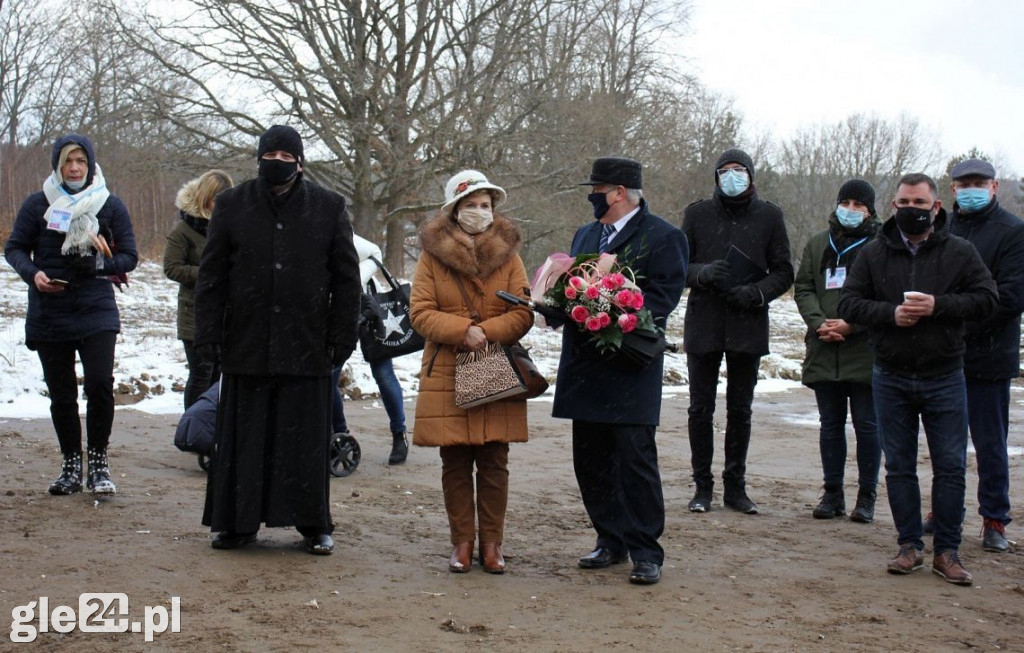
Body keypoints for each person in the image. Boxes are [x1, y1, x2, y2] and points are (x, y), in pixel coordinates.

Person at [194, 125, 361, 555]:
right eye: (271, 155)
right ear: (259, 158)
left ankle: (313, 523)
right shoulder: (232, 205)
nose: (278, 163)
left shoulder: (328, 207)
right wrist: (208, 336)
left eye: (288, 157)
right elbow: (212, 277)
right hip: (246, 343)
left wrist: (341, 340)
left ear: (300, 162)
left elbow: (346, 281)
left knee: (304, 441)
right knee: (244, 439)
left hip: (307, 346)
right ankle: (236, 522)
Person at [838, 172, 997, 586]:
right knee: (900, 467)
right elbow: (850, 303)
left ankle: (947, 551)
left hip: (944, 375)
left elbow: (987, 299)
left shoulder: (959, 252)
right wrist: (891, 315)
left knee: (950, 467)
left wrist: (938, 306)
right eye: (904, 204)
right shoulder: (874, 253)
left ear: (936, 207)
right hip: (890, 373)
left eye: (920, 205)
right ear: (894, 207)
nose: (912, 211)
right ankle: (909, 545)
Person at [552, 157, 688, 585]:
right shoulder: (586, 233)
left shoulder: (664, 236)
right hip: (584, 365)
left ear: (619, 193)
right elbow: (571, 285)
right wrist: (555, 302)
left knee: (634, 460)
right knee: (590, 460)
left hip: (629, 366)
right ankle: (609, 539)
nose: (591, 196)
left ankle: (646, 550)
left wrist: (610, 305)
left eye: (597, 189)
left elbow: (663, 299)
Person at [410, 170, 533, 574]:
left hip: (496, 364)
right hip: (448, 367)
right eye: (470, 205)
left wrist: (486, 332)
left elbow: (522, 310)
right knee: (456, 461)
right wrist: (463, 331)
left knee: (495, 459)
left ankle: (492, 545)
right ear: (454, 210)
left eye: (485, 205)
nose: (479, 212)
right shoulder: (431, 257)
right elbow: (420, 313)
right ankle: (462, 543)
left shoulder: (510, 255)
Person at [4, 134, 138, 496]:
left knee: (98, 385)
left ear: (90, 164)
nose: (75, 167)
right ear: (57, 166)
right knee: (62, 395)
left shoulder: (109, 205)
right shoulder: (38, 205)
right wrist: (34, 275)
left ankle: (98, 463)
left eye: (81, 160)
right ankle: (69, 464)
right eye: (67, 161)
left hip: (96, 309)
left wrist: (101, 260)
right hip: (51, 312)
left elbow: (130, 257)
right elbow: (14, 248)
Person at [681, 148, 793, 515]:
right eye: (724, 170)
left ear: (751, 175)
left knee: (740, 410)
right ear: (715, 177)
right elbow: (678, 266)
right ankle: (702, 488)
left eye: (738, 170)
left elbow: (783, 270)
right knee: (700, 409)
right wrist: (701, 273)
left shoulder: (770, 216)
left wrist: (758, 292)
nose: (731, 176)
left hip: (747, 321)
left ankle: (736, 487)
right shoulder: (697, 214)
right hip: (704, 321)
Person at [946, 158, 1024, 553]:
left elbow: (1010, 296)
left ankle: (994, 517)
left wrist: (955, 319)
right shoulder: (943, 227)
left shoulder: (1013, 231)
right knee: (947, 443)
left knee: (990, 442)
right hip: (943, 356)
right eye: (963, 183)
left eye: (979, 182)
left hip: (990, 354)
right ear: (952, 188)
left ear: (994, 187)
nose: (970, 189)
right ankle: (946, 513)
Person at [794, 179, 882, 522]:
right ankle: (832, 494)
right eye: (846, 202)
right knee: (830, 424)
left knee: (867, 425)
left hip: (864, 349)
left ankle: (866, 496)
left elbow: (884, 297)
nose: (851, 210)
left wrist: (851, 324)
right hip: (823, 348)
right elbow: (803, 287)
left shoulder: (880, 247)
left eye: (859, 205)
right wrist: (819, 322)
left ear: (870, 211)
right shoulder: (818, 244)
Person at [330, 233, 409, 465]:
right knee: (329, 376)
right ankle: (340, 436)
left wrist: (352, 280)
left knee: (383, 373)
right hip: (337, 311)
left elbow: (375, 253)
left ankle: (399, 434)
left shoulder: (339, 227)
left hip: (370, 309)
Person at [163, 170, 234, 410]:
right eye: (216, 199)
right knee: (201, 372)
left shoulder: (230, 227)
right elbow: (172, 268)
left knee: (219, 374)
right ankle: (193, 426)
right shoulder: (184, 230)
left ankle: (213, 427)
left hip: (225, 314)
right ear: (205, 198)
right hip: (194, 312)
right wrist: (207, 274)